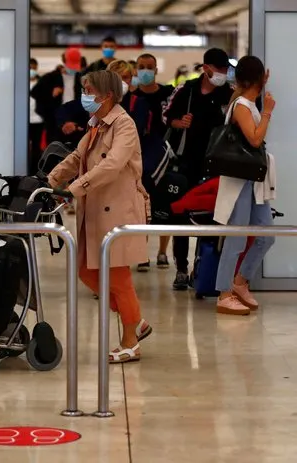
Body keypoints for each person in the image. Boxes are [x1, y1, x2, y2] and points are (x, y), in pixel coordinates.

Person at [48, 70, 152, 364]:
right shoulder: (96, 125)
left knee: (118, 277)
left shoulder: (124, 125)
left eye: (89, 90)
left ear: (106, 96)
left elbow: (114, 164)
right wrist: (50, 180)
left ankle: (131, 341)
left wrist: (74, 188)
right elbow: (77, 158)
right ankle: (137, 320)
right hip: (95, 209)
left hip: (117, 210)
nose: (85, 95)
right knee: (85, 270)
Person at [162, 48, 234, 290]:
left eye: (226, 69)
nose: (223, 73)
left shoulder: (228, 93)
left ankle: (201, 267)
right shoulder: (187, 90)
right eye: (219, 69)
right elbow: (166, 115)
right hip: (186, 162)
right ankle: (181, 268)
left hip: (216, 164)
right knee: (180, 215)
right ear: (206, 68)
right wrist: (178, 122)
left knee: (212, 217)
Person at [213, 56, 277, 316]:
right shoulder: (241, 104)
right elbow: (254, 139)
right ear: (258, 79)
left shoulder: (247, 102)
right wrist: (268, 111)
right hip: (240, 180)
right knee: (236, 237)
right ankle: (223, 293)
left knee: (267, 235)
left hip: (254, 180)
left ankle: (240, 282)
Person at [133, 53, 176, 271]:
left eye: (149, 67)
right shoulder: (132, 95)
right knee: (141, 205)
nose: (145, 71)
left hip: (163, 155)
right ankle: (142, 253)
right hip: (137, 156)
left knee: (163, 203)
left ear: (156, 69)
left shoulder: (168, 93)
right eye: (141, 67)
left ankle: (162, 251)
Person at [31, 48, 82, 145]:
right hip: (55, 122)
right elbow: (35, 92)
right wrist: (51, 93)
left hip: (76, 122)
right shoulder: (51, 77)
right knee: (55, 151)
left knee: (75, 152)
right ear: (64, 61)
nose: (73, 68)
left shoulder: (81, 78)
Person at [29, 58, 44, 175]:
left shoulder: (41, 83)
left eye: (33, 68)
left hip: (38, 120)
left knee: (36, 147)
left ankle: (34, 171)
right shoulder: (19, 83)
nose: (31, 70)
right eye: (29, 68)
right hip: (24, 121)